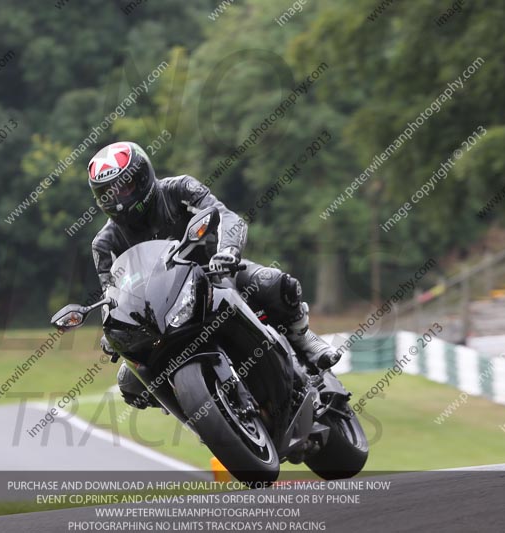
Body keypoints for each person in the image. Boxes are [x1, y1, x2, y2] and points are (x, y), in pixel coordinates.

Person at [85, 141, 339, 408]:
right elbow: (111, 295)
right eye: (108, 193)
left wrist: (228, 251)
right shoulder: (104, 244)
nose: (118, 199)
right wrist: (113, 332)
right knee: (131, 382)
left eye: (123, 187)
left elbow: (227, 216)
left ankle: (302, 338)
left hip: (214, 274)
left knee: (276, 283)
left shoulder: (179, 188)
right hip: (161, 311)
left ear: (142, 176)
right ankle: (200, 414)